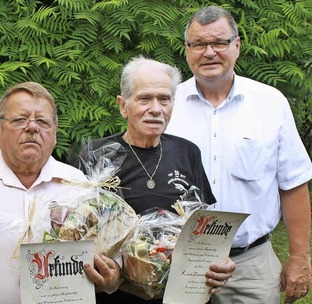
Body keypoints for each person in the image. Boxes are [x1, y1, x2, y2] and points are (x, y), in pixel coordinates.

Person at [0, 81, 123, 303]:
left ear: (55, 134)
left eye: (43, 122)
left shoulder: (80, 187)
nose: (32, 128)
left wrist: (111, 277)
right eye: (20, 120)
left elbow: (111, 266)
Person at [165, 6, 312, 304]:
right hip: (179, 262)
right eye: (198, 44)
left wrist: (299, 256)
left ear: (237, 45)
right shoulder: (167, 105)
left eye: (219, 42)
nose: (209, 52)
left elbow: (294, 184)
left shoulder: (271, 103)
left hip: (251, 266)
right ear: (187, 50)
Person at [75, 56, 235, 303]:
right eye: (144, 98)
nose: (156, 109)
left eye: (164, 99)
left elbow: (202, 226)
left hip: (178, 293)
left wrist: (216, 260)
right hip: (115, 293)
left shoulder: (187, 152)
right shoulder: (97, 156)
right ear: (123, 105)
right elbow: (78, 229)